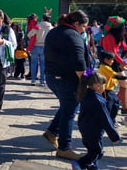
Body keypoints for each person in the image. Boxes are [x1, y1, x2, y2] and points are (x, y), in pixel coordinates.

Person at [43, 10, 89, 161]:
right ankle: (64, 148)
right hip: (67, 80)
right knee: (69, 111)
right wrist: (86, 83)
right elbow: (79, 62)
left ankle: (51, 132)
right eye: (83, 27)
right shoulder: (73, 35)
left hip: (51, 77)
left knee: (66, 106)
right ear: (76, 24)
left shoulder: (54, 31)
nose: (84, 30)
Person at [71, 71, 121, 170]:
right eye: (104, 84)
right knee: (97, 152)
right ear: (98, 86)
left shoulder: (85, 94)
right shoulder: (98, 100)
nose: (104, 87)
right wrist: (114, 136)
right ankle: (79, 163)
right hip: (94, 130)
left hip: (85, 128)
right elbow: (105, 119)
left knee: (92, 151)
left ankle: (92, 167)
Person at [100, 16, 127, 115]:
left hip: (114, 61)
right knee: (121, 83)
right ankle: (123, 106)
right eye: (123, 26)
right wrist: (122, 62)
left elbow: (123, 45)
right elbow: (113, 52)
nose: (124, 27)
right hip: (110, 61)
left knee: (123, 84)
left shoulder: (117, 36)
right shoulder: (109, 37)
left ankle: (123, 106)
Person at [98, 50, 127, 126]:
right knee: (108, 107)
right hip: (106, 90)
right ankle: (106, 122)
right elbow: (115, 75)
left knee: (115, 105)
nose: (113, 61)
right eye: (112, 60)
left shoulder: (107, 67)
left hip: (111, 90)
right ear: (106, 60)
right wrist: (124, 77)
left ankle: (112, 121)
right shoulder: (104, 67)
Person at [27, 13, 53, 86]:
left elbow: (29, 35)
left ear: (42, 19)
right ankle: (42, 81)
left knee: (33, 64)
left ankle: (33, 80)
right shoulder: (51, 28)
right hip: (46, 47)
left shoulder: (38, 26)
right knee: (43, 64)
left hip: (36, 46)